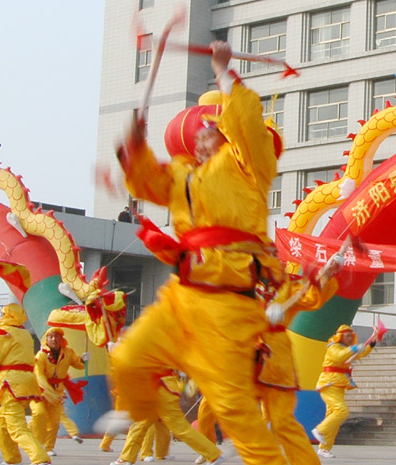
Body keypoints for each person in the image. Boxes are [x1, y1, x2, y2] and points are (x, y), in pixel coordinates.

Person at [108, 40, 289, 465]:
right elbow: (146, 182)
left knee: (235, 412)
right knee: (131, 357)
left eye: (214, 127)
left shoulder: (248, 165)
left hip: (229, 302)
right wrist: (134, 145)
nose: (205, 134)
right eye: (201, 130)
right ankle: (136, 413)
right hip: (183, 296)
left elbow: (245, 120)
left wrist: (224, 71)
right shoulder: (182, 175)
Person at [256, 254, 341, 465]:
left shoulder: (287, 289)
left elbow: (311, 297)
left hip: (275, 358)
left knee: (281, 420)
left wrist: (326, 275)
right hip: (243, 353)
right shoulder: (241, 287)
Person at [0, 303, 51, 465]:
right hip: (26, 381)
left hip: (11, 383)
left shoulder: (3, 333)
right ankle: (11, 458)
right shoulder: (24, 334)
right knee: (1, 420)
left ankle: (40, 458)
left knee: (16, 426)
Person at [110, 371, 223, 465]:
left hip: (159, 387)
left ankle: (213, 454)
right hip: (162, 386)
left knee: (145, 424)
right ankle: (213, 454)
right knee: (144, 424)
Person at [311, 325, 375, 458]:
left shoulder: (346, 349)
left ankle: (324, 448)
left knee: (332, 417)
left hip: (339, 386)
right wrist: (355, 348)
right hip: (329, 385)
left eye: (351, 336)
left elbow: (359, 354)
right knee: (342, 411)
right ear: (340, 336)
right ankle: (319, 430)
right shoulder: (333, 347)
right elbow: (340, 357)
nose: (350, 338)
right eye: (347, 335)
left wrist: (371, 345)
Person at [31, 327, 88, 457]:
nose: (54, 339)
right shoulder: (41, 355)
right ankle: (38, 445)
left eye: (57, 337)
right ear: (47, 339)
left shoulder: (67, 353)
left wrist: (83, 360)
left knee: (55, 421)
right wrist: (47, 391)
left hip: (58, 392)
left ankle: (49, 447)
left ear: (61, 339)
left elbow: (78, 364)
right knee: (39, 415)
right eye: (51, 337)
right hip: (41, 391)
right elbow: (38, 375)